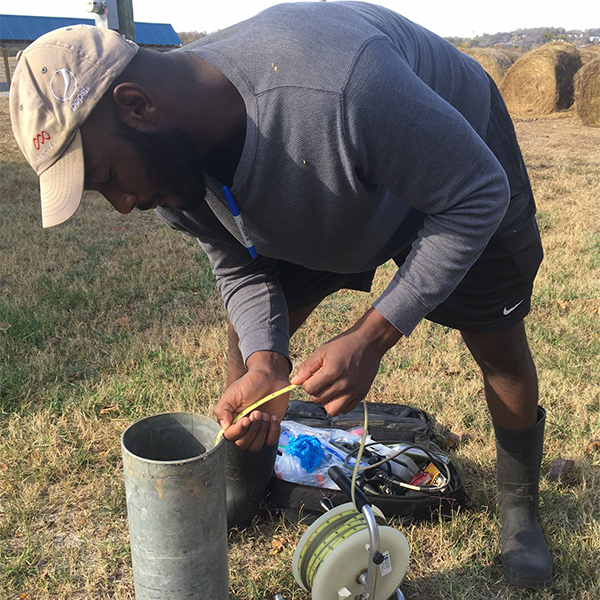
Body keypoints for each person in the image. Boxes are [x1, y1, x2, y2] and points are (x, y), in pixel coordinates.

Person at [9, 2, 551, 588]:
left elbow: (474, 194)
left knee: (496, 341)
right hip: (326, 184)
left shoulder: (341, 86)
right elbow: (238, 269)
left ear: (136, 105)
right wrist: (268, 362)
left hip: (449, 158)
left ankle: (520, 508)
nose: (123, 204)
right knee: (247, 343)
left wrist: (373, 334)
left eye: (109, 177)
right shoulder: (170, 165)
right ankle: (246, 479)